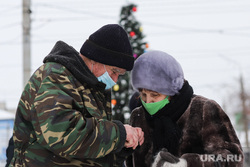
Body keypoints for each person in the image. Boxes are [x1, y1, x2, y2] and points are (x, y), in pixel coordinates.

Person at [9, 24, 144, 167]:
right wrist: (118, 134)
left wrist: (122, 145)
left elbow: (87, 149)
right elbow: (61, 134)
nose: (115, 80)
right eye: (114, 71)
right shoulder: (57, 75)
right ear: (95, 59)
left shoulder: (92, 87)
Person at [126, 50, 244, 167]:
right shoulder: (138, 117)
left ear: (171, 92)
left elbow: (233, 158)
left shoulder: (203, 109)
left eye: (155, 95)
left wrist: (186, 164)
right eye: (143, 94)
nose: (148, 101)